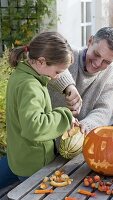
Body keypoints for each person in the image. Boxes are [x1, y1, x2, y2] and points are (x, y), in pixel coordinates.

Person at [0, 31, 79, 189]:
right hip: (32, 165)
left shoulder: (21, 75)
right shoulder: (31, 86)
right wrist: (65, 116)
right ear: (41, 62)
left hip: (18, 156)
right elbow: (34, 127)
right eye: (58, 72)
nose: (58, 77)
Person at [48, 26, 113, 133]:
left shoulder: (110, 72)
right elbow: (45, 57)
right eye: (97, 54)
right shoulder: (68, 53)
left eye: (106, 62)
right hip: (42, 136)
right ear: (90, 41)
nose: (97, 64)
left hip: (77, 140)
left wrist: (85, 126)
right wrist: (68, 86)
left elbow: (103, 110)